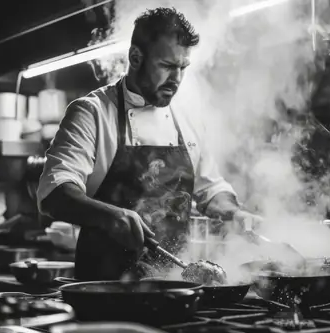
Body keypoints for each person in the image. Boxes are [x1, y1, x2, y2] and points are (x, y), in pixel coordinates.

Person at [37, 7, 261, 281]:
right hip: (104, 291)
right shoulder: (92, 112)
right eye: (167, 66)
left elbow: (211, 188)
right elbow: (54, 193)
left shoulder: (188, 117)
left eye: (182, 68)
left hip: (173, 284)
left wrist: (234, 214)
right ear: (135, 57)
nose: (176, 79)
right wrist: (110, 216)